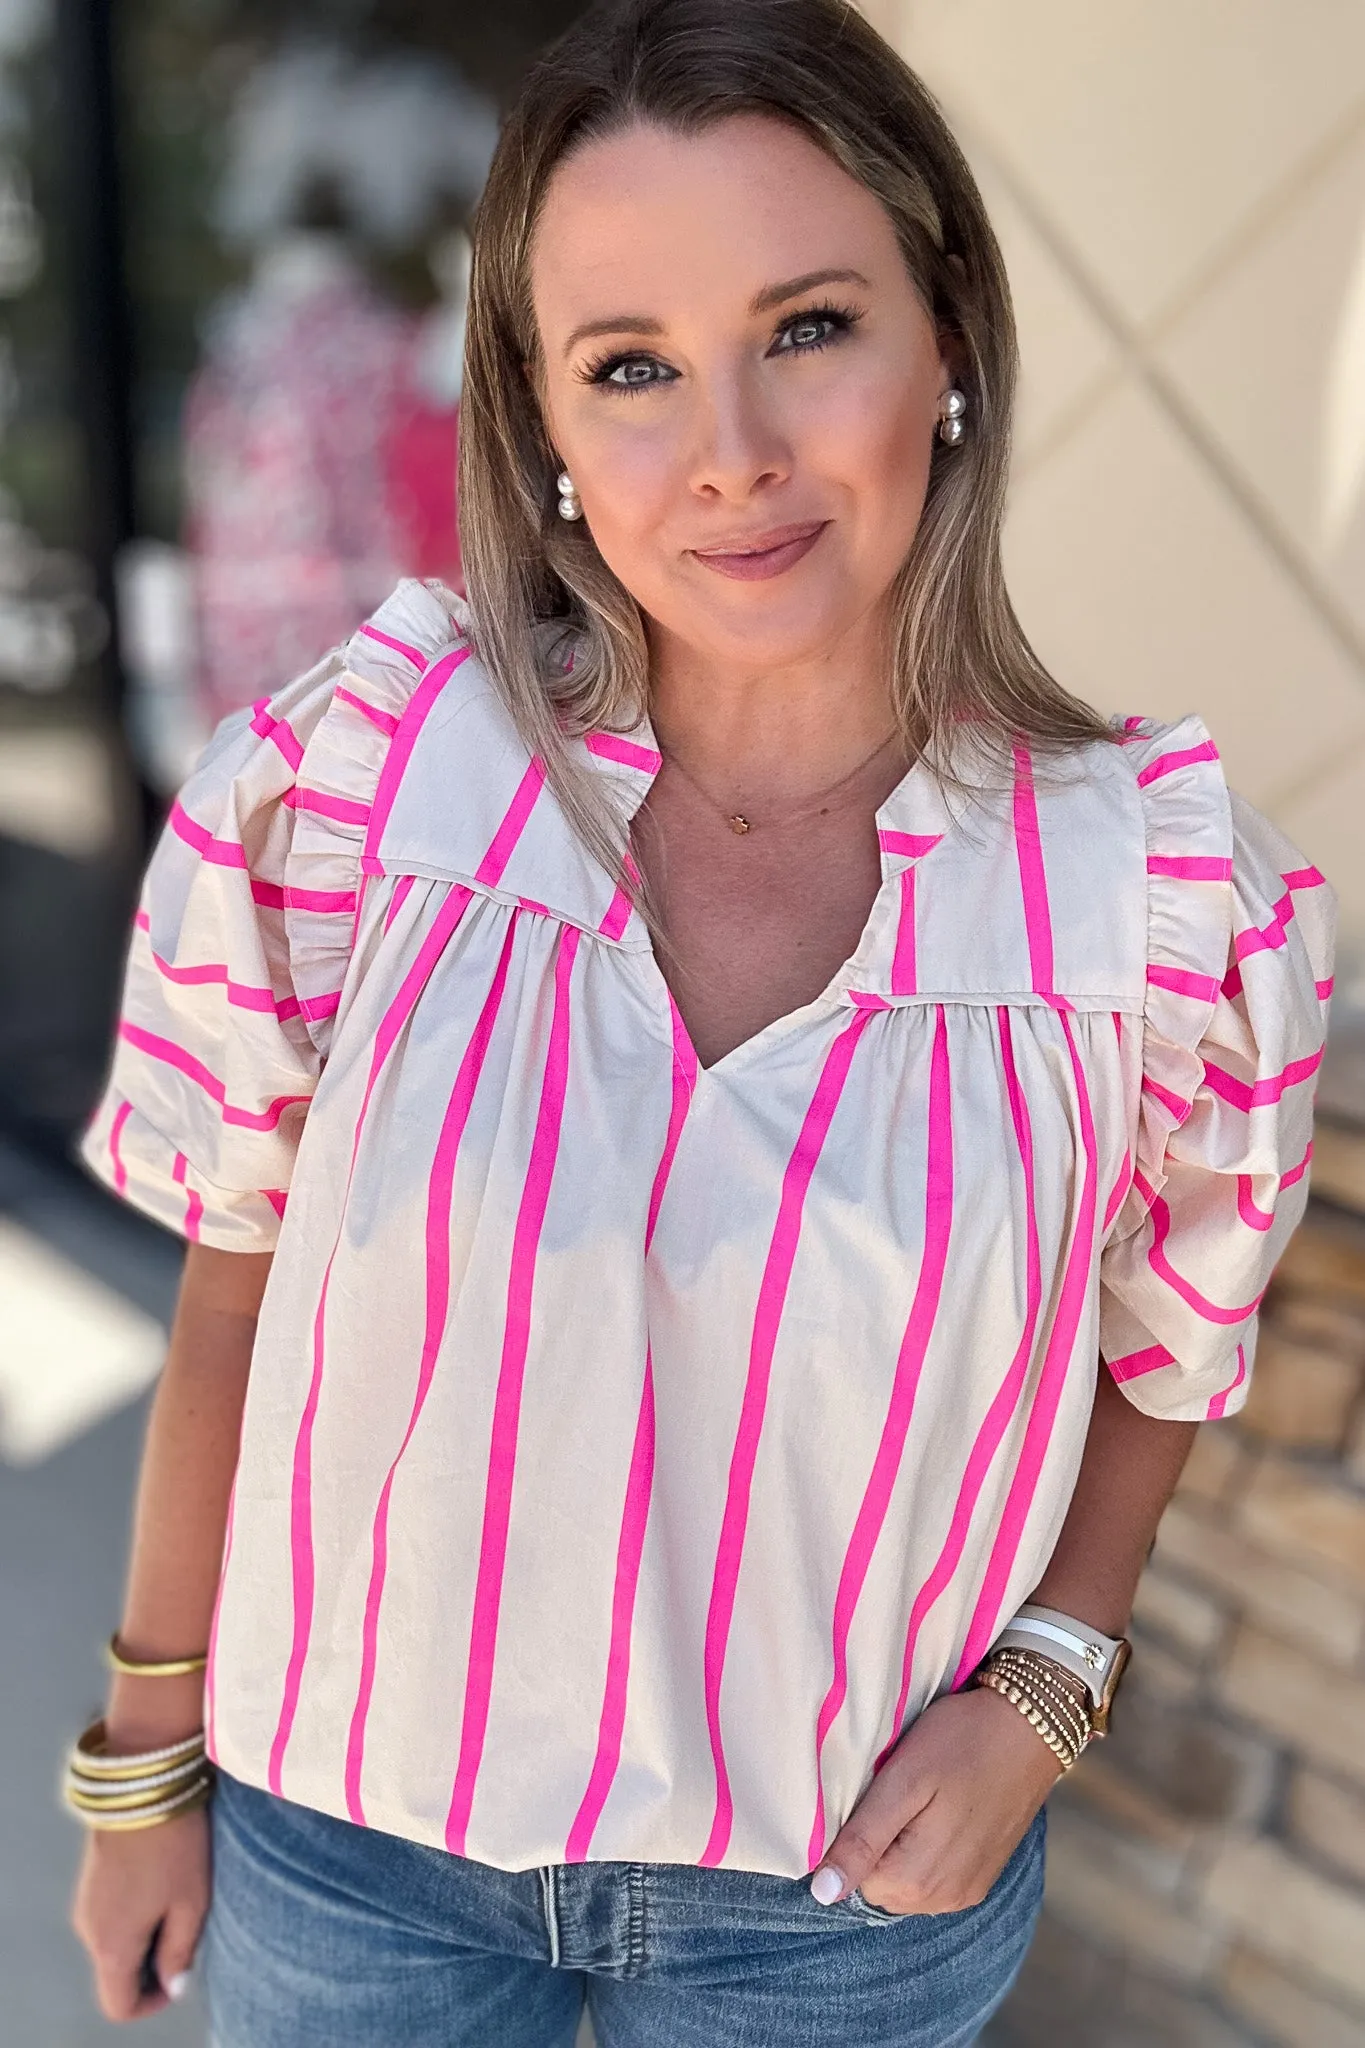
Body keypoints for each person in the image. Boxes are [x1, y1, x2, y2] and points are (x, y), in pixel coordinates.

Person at [69, 3, 1334, 2043]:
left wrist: (1048, 1683)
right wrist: (139, 1762)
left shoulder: (1170, 909)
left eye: (809, 324)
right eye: (631, 367)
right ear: (545, 432)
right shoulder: (354, 790)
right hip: (349, 1854)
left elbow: (1169, 1347)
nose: (730, 446)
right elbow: (233, 1293)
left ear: (948, 349)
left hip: (836, 1907)